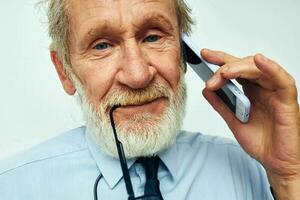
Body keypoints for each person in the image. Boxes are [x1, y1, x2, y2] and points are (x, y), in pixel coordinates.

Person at [0, 0, 299, 199]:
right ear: (65, 70)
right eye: (102, 45)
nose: (138, 75)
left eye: (153, 37)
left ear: (184, 54)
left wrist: (289, 176)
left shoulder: (254, 171)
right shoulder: (12, 187)